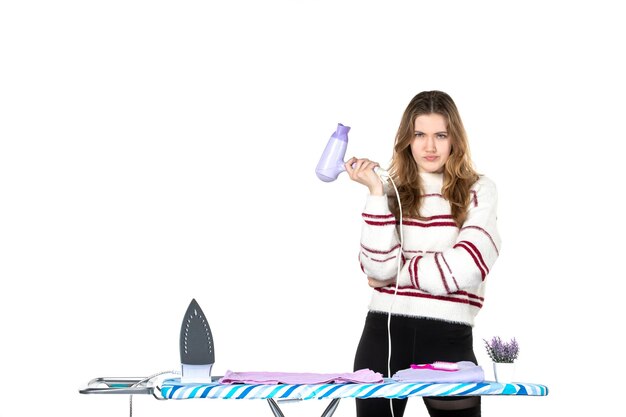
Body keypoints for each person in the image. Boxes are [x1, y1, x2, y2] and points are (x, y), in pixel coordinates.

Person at [345, 90, 501, 417]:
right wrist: (375, 192)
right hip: (383, 334)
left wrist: (396, 274)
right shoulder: (389, 189)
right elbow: (375, 264)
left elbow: (469, 265)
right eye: (420, 135)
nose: (430, 147)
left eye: (440, 135)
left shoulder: (478, 190)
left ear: (454, 139)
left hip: (449, 339)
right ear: (408, 140)